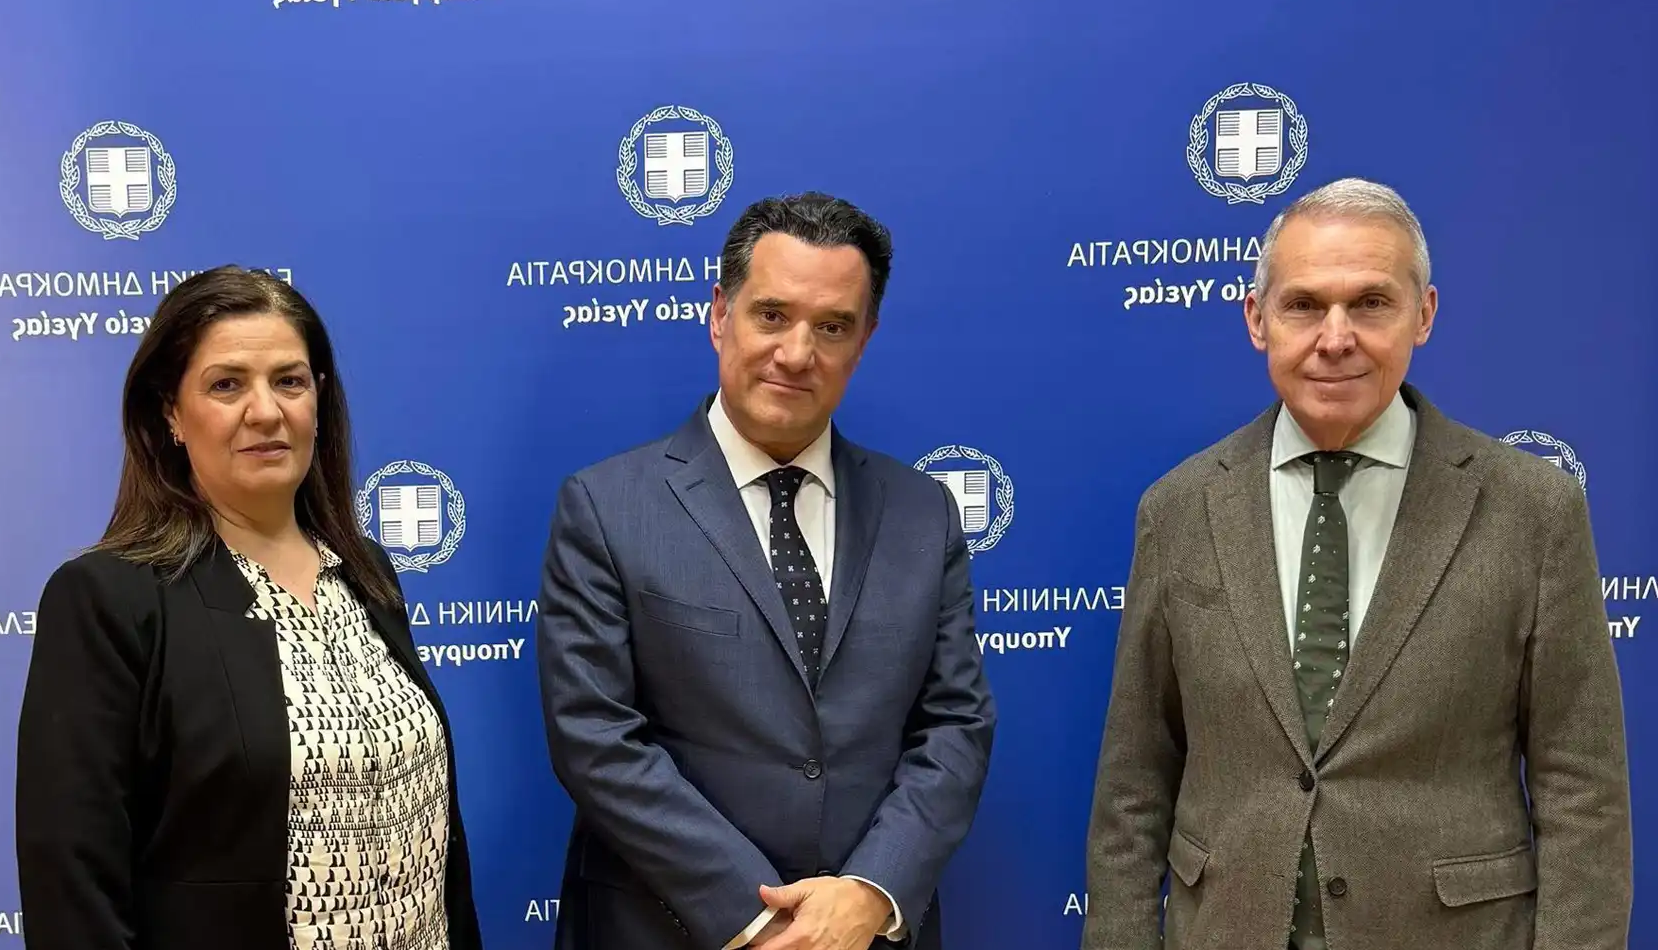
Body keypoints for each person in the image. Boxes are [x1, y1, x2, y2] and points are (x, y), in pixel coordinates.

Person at [1082, 178, 1632, 950]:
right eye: (1304, 305)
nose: (1335, 337)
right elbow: (1134, 786)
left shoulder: (1532, 510)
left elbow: (1583, 790)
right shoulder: (1178, 510)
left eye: (1371, 303)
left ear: (1424, 314)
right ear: (1257, 319)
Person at [536, 193, 997, 950]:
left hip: (864, 934)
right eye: (772, 315)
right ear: (721, 314)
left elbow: (955, 725)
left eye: (833, 326)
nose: (796, 353)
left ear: (865, 340)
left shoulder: (924, 513)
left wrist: (871, 890)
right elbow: (595, 736)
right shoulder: (606, 507)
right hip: (667, 929)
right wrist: (758, 917)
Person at [14, 266, 482, 950]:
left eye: (289, 381)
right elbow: (72, 891)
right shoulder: (108, 599)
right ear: (170, 413)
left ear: (319, 399)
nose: (265, 411)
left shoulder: (366, 573)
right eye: (226, 385)